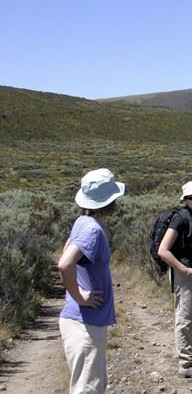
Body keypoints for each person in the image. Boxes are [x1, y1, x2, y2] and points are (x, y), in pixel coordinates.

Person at [58, 168, 125, 394]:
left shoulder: (82, 221)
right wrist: (80, 295)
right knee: (88, 388)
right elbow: (65, 263)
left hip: (82, 320)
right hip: (86, 322)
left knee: (89, 384)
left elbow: (67, 250)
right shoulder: (93, 230)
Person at [157, 180, 192, 379]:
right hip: (185, 273)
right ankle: (186, 363)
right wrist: (183, 269)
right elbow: (163, 251)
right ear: (185, 199)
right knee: (185, 318)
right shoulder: (180, 219)